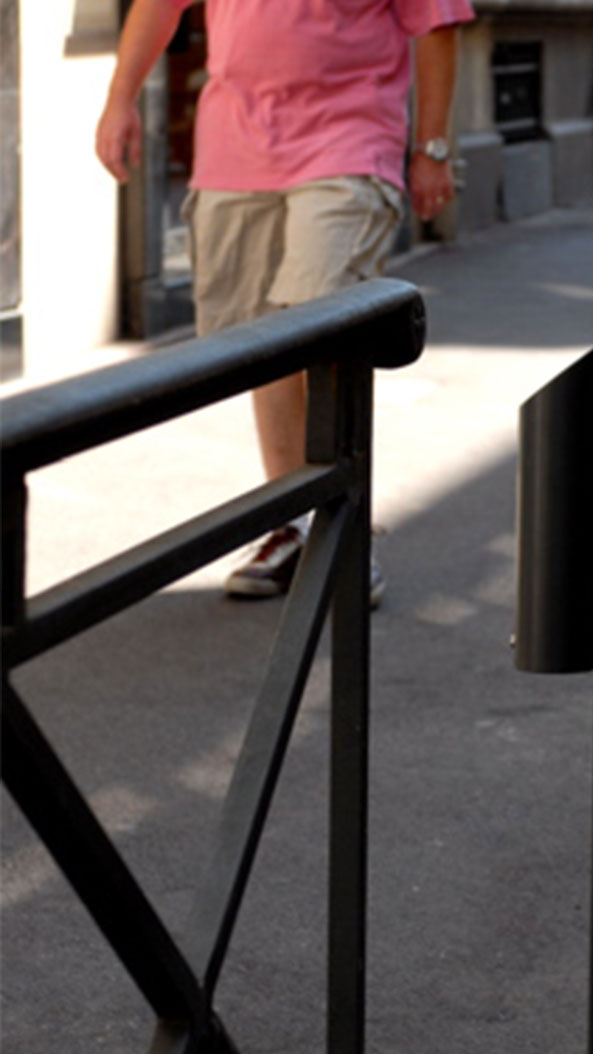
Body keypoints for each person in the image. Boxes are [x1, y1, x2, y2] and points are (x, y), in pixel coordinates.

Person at [95, 0, 474, 607]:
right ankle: (292, 523)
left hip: (349, 140)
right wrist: (121, 98)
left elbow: (438, 23)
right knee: (259, 343)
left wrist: (431, 146)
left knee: (323, 332)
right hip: (234, 148)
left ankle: (344, 530)